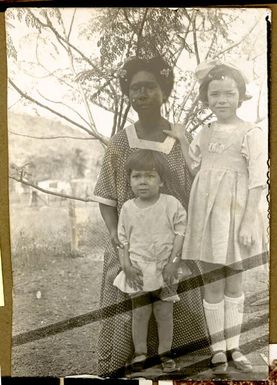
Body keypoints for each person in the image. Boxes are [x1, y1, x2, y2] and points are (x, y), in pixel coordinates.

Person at [93, 56, 210, 377]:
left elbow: (195, 189)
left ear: (164, 91)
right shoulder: (119, 143)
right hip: (128, 244)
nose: (141, 94)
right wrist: (117, 237)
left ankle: (177, 361)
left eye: (149, 87)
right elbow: (105, 197)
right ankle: (127, 360)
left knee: (174, 304)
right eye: (134, 89)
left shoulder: (178, 142)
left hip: (171, 242)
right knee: (130, 303)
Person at [164, 60, 268, 374]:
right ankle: (218, 350)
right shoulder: (204, 130)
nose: (221, 100)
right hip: (206, 212)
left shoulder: (251, 132)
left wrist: (250, 220)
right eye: (214, 94)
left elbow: (257, 179)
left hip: (236, 213)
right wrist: (182, 139)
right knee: (211, 280)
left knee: (234, 280)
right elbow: (196, 166)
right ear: (206, 98)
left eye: (228, 93)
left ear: (240, 96)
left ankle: (235, 346)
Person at [113, 149, 188, 372]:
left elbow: (181, 233)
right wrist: (126, 265)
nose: (142, 182)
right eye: (136, 176)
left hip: (166, 268)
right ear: (129, 180)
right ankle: (140, 353)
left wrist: (173, 262)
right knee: (141, 312)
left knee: (164, 313)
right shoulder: (127, 208)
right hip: (138, 270)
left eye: (150, 176)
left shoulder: (171, 204)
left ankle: (165, 354)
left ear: (162, 180)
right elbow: (122, 240)